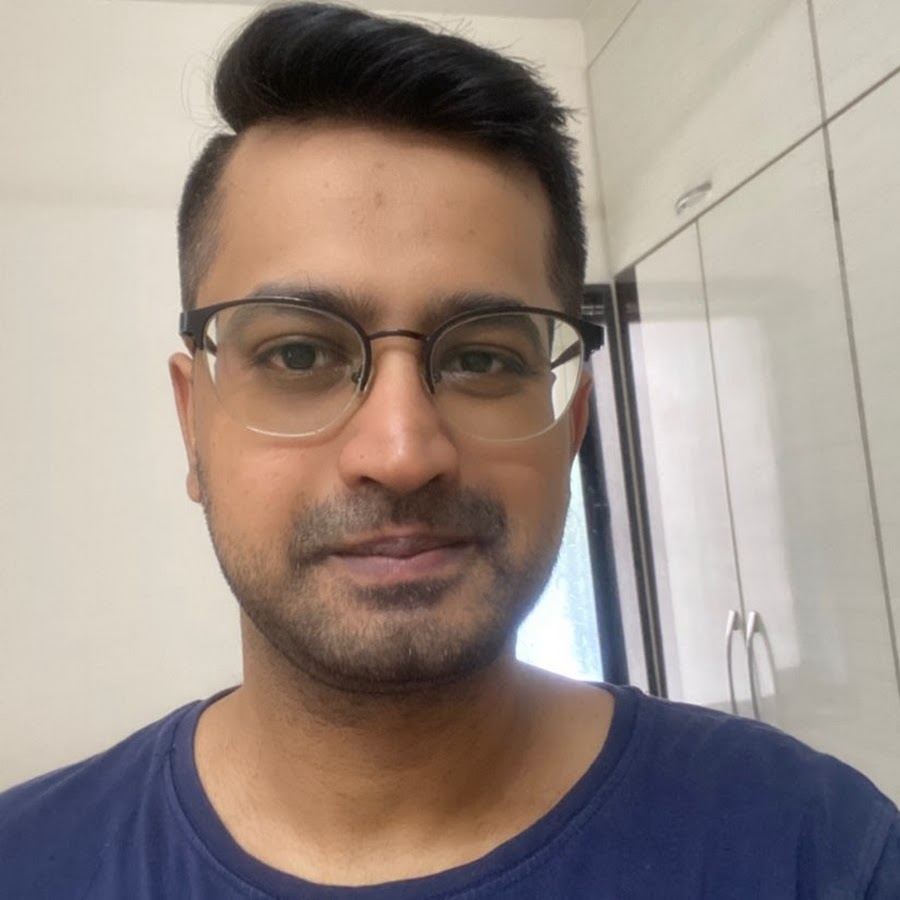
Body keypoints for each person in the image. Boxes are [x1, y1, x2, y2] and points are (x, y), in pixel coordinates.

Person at [1, 2, 897, 896]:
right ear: (193, 424)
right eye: (299, 355)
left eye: (482, 359)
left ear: (571, 427)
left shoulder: (819, 850)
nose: (400, 452)